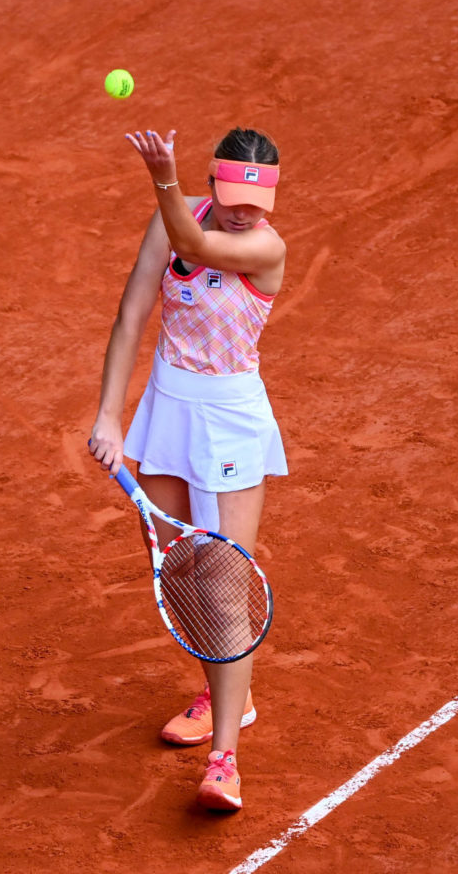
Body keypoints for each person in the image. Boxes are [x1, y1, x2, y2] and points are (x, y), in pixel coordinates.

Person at [88, 126, 288, 811]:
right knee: (182, 573)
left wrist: (162, 176)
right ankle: (229, 687)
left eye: (255, 204)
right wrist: (112, 415)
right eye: (232, 197)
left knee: (226, 585)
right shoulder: (173, 219)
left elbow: (198, 247)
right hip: (168, 409)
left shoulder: (266, 247)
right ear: (214, 186)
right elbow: (132, 311)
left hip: (230, 420)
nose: (242, 213)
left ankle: (225, 760)